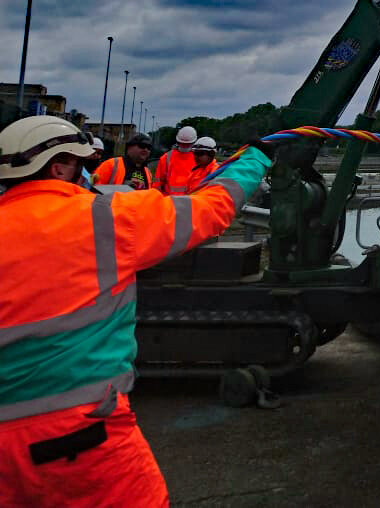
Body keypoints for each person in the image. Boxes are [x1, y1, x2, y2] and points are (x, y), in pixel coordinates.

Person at [0, 114, 274, 507]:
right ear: (60, 166)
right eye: (81, 165)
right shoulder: (108, 218)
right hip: (82, 436)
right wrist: (257, 157)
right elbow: (211, 209)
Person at [153, 126, 197, 194]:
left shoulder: (198, 157)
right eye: (182, 144)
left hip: (189, 201)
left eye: (187, 144)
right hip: (170, 201)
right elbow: (157, 184)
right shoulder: (166, 158)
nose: (184, 146)